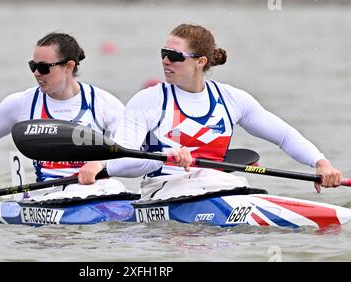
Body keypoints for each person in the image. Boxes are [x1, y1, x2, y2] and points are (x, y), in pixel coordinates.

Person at [78, 23, 342, 193]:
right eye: (163, 54)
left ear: (200, 61)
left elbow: (283, 136)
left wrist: (321, 163)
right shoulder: (148, 100)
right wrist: (167, 153)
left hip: (221, 186)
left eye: (175, 56)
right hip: (163, 189)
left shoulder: (232, 99)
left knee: (237, 188)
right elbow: (124, 155)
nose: (166, 61)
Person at [0, 32, 125, 209]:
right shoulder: (21, 104)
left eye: (43, 67)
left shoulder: (103, 103)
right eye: (33, 66)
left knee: (116, 186)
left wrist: (101, 164)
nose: (36, 74)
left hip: (100, 191)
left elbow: (134, 146)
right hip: (49, 196)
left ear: (69, 66)